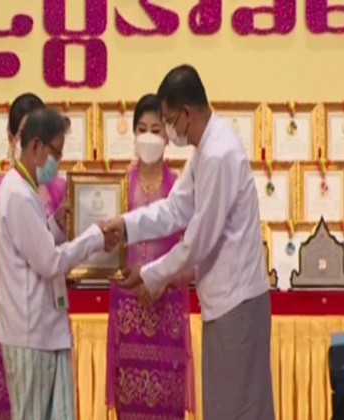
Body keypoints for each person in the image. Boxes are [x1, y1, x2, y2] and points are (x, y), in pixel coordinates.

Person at [103, 65, 274, 419]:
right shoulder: (207, 149)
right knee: (225, 407)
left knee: (237, 410)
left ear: (186, 113)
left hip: (237, 302)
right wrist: (126, 225)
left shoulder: (219, 153)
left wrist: (148, 273)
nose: (169, 131)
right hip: (224, 301)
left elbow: (198, 241)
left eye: (168, 121)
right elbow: (175, 208)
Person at [0, 108, 106, 420]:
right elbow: (50, 262)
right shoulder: (17, 194)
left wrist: (56, 224)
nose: (58, 162)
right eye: (56, 152)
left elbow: (36, 246)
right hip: (30, 333)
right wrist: (94, 237)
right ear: (36, 146)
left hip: (43, 330)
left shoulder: (25, 189)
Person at [0, 93, 68, 420]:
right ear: (19, 139)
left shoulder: (56, 187)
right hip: (18, 313)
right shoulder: (6, 190)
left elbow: (48, 247)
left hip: (46, 316)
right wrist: (9, 270)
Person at [105, 94, 196, 419]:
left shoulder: (180, 188)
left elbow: (193, 253)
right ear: (132, 135)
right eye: (141, 129)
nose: (148, 136)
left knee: (166, 404)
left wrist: (160, 279)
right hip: (128, 309)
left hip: (166, 311)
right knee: (131, 404)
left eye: (156, 130)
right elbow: (109, 250)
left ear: (168, 135)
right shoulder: (119, 187)